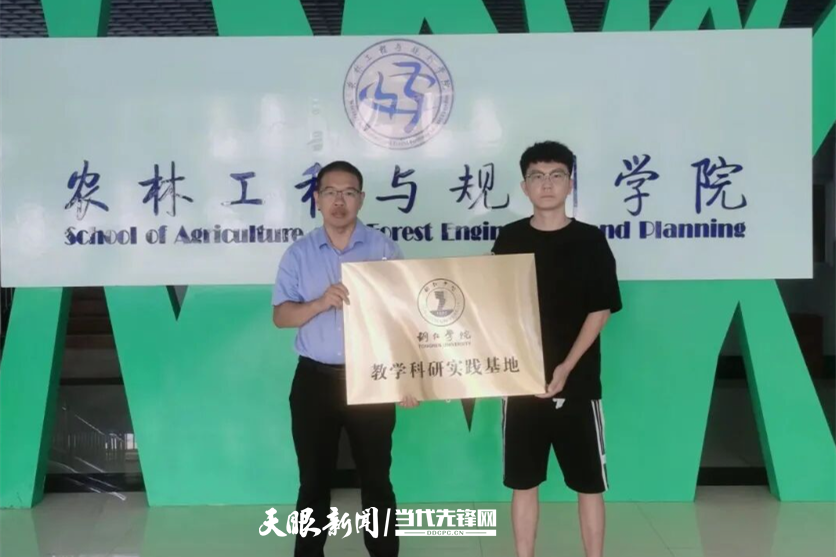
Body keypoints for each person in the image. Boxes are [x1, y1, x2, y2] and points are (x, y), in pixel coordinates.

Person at [272, 160, 418, 557]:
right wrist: (320, 303)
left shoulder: (384, 250)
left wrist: (407, 378)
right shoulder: (299, 254)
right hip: (314, 381)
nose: (340, 201)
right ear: (317, 199)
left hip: (372, 379)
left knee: (377, 480)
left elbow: (404, 318)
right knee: (313, 482)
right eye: (331, 193)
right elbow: (281, 316)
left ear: (361, 199)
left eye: (349, 193)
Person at [491, 141, 623, 557]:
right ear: (524, 186)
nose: (546, 184)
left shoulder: (590, 240)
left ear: (569, 183)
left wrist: (566, 366)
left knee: (589, 485)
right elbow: (492, 303)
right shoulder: (510, 238)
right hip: (521, 383)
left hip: (578, 383)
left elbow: (600, 310)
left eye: (556, 175)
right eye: (537, 176)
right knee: (523, 482)